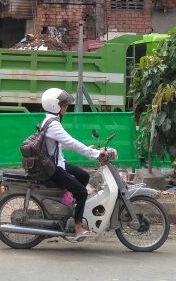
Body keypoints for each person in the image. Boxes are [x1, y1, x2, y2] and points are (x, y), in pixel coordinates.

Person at [38, 87, 117, 242]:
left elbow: (61, 144)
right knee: (81, 192)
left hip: (56, 162)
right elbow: (71, 143)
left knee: (83, 176)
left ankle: (68, 204)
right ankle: (78, 228)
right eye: (64, 104)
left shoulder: (50, 120)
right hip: (54, 168)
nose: (66, 107)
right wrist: (94, 154)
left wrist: (89, 149)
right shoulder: (53, 124)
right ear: (55, 106)